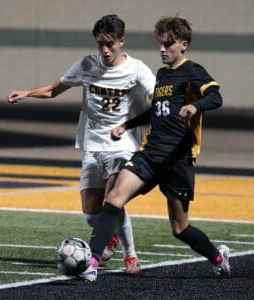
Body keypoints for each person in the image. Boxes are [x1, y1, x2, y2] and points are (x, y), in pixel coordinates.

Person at [82, 16, 230, 282]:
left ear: (183, 45)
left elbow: (216, 96)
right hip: (150, 155)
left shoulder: (193, 70)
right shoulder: (162, 75)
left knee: (179, 228)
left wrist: (195, 106)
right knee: (114, 198)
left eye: (168, 45)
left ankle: (218, 257)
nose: (162, 49)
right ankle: (92, 261)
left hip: (178, 160)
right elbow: (157, 112)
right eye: (160, 44)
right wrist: (127, 125)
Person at [7, 14, 156, 273]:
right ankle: (108, 235)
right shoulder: (87, 65)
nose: (105, 49)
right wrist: (27, 92)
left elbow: (158, 97)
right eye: (100, 44)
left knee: (113, 200)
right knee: (90, 215)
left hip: (121, 146)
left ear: (121, 41)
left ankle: (131, 255)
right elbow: (55, 89)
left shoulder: (137, 69)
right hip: (92, 145)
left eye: (110, 44)